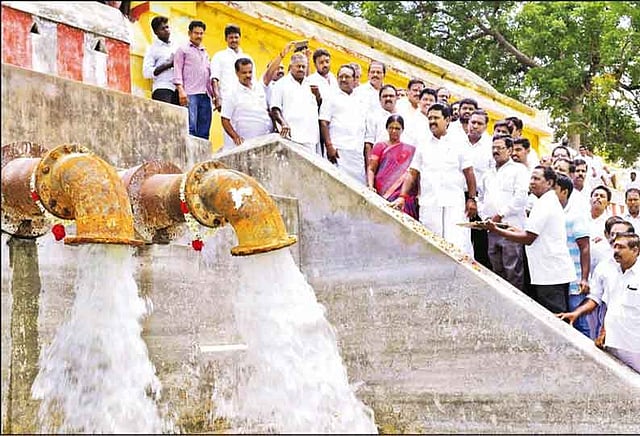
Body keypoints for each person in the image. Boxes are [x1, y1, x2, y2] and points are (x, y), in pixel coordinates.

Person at [486, 166, 576, 313]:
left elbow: (529, 238)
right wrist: (512, 230)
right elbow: (535, 234)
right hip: (549, 272)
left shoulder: (545, 204)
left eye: (537, 179)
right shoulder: (545, 202)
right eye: (532, 178)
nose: (532, 182)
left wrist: (497, 230)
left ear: (549, 183)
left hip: (550, 273)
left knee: (554, 317)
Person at [393, 103, 478, 255]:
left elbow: (469, 172)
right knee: (430, 246)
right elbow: (412, 172)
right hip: (429, 203)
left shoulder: (459, 143)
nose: (432, 121)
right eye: (430, 118)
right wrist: (402, 196)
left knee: (457, 245)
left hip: (454, 205)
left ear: (447, 120)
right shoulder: (423, 143)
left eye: (436, 118)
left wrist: (472, 199)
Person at [557, 231, 639, 373]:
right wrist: (576, 313)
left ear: (635, 250)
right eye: (614, 246)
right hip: (611, 341)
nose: (616, 250)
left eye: (621, 247)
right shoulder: (607, 270)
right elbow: (597, 298)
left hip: (634, 346)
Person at [478, 134, 529, 290]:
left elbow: (520, 198)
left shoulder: (519, 170)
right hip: (491, 228)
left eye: (500, 148)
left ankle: (516, 302)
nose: (496, 151)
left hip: (510, 228)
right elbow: (480, 197)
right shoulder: (488, 173)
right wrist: (485, 217)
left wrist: (500, 214)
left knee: (513, 271)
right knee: (496, 270)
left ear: (509, 150)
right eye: (493, 148)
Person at [554, 173, 591, 337]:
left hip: (575, 280)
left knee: (579, 322)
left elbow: (585, 247)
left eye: (554, 189)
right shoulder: (555, 213)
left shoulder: (575, 215)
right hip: (561, 277)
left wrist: (584, 278)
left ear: (564, 192)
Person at [319, 64, 367, 184]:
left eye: (347, 77)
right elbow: (323, 122)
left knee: (356, 186)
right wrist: (329, 146)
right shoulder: (331, 96)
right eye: (341, 77)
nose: (343, 79)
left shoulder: (361, 99)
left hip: (356, 153)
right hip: (338, 151)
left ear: (354, 79)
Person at [366, 114, 418, 219]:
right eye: (391, 128)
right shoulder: (380, 146)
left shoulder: (409, 150)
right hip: (381, 190)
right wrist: (371, 187)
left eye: (397, 128)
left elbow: (413, 173)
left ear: (402, 130)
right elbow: (371, 168)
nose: (394, 131)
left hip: (400, 194)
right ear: (387, 128)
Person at [270, 52, 320, 154]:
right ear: (291, 66)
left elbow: (318, 106)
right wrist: (283, 123)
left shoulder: (311, 84)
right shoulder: (281, 84)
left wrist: (318, 95)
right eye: (298, 66)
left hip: (310, 138)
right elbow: (275, 108)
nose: (301, 69)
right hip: (291, 137)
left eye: (303, 67)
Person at [219, 58, 273, 149]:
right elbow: (225, 119)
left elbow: (268, 75)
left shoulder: (258, 88)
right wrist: (235, 137)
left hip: (264, 142)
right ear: (237, 73)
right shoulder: (231, 93)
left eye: (250, 72)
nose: (248, 75)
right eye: (244, 73)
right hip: (244, 146)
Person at [173, 20, 213, 140]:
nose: (199, 36)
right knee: (190, 129)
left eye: (201, 33)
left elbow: (208, 74)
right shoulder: (182, 50)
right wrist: (181, 90)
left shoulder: (205, 52)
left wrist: (214, 96)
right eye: (196, 33)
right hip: (190, 94)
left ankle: (203, 153)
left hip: (205, 95)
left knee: (204, 132)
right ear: (189, 33)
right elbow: (177, 70)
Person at [210, 24, 253, 112]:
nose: (234, 40)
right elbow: (214, 79)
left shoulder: (248, 58)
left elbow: (253, 80)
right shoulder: (219, 56)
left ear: (240, 38)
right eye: (231, 38)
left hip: (246, 100)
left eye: (236, 37)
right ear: (226, 39)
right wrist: (218, 98)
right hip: (227, 100)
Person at [142, 15, 178, 105]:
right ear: (156, 32)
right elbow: (146, 72)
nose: (166, 30)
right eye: (162, 29)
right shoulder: (152, 49)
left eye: (167, 27)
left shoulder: (176, 46)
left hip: (178, 89)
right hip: (162, 88)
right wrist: (168, 64)